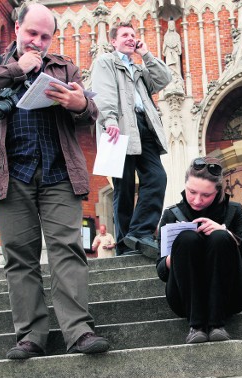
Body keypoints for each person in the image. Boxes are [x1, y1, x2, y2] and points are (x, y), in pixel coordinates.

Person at [0, 3, 109, 360]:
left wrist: (78, 103)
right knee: (20, 257)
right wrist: (15, 69)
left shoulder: (63, 66)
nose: (38, 42)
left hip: (58, 172)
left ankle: (79, 331)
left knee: (68, 251)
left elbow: (89, 111)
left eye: (45, 36)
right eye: (32, 34)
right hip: (9, 176)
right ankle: (31, 336)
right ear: (17, 28)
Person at [156, 157, 242, 344]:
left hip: (231, 294)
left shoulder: (233, 211)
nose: (197, 200)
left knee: (220, 237)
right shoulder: (171, 214)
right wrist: (177, 253)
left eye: (206, 195)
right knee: (187, 239)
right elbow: (162, 271)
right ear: (185, 185)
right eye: (192, 192)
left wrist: (227, 233)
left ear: (218, 191)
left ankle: (217, 324)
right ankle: (196, 327)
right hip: (184, 298)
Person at [92, 22, 171, 258]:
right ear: (113, 41)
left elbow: (164, 79)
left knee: (157, 177)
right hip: (119, 128)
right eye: (125, 35)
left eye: (133, 35)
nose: (130, 38)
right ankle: (126, 245)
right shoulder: (105, 62)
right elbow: (103, 92)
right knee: (123, 189)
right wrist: (110, 121)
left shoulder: (138, 68)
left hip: (144, 127)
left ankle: (141, 233)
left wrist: (145, 53)